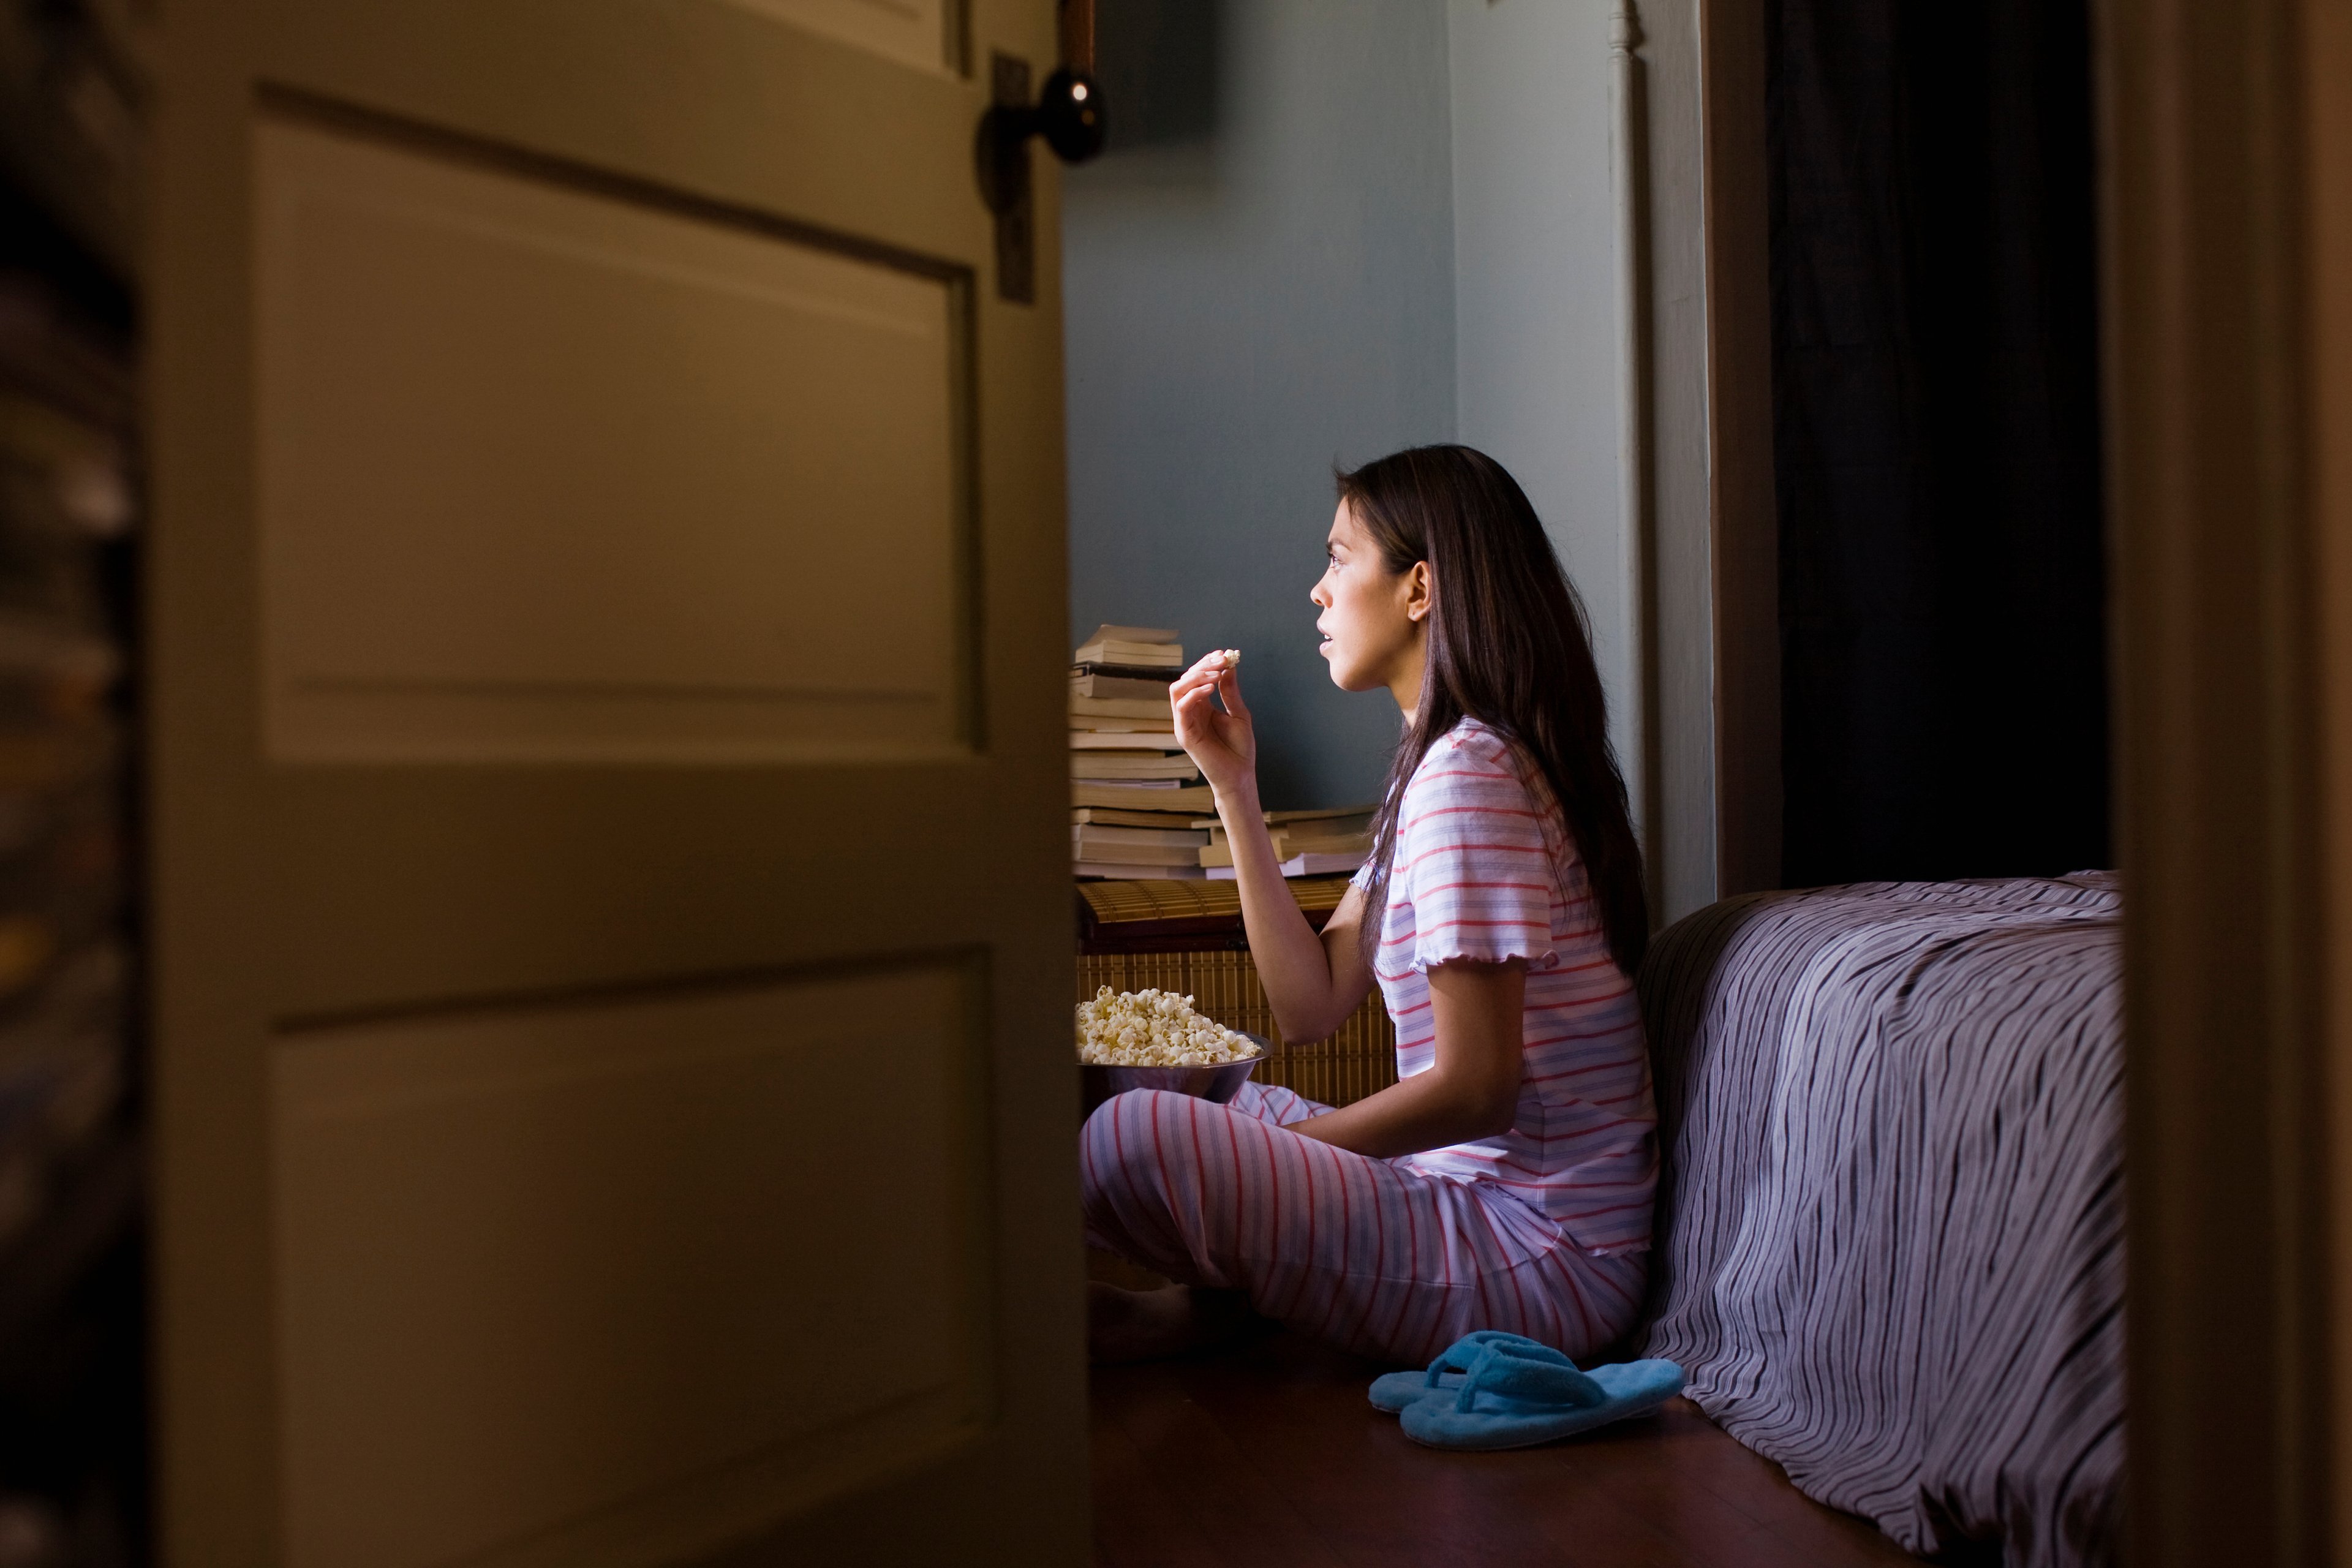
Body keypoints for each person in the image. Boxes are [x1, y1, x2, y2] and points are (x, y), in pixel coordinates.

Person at [1082, 444, 1657, 1366]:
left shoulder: (1472, 775)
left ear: (1419, 588)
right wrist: (1234, 785)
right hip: (1467, 1203)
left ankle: (1202, 1321)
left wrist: (1303, 1155)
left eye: (1340, 558)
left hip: (1542, 1254)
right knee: (1156, 1091)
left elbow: (1476, 1089)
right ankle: (1208, 1322)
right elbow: (1309, 1007)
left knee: (1129, 1138)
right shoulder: (1433, 773)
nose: (1319, 589)